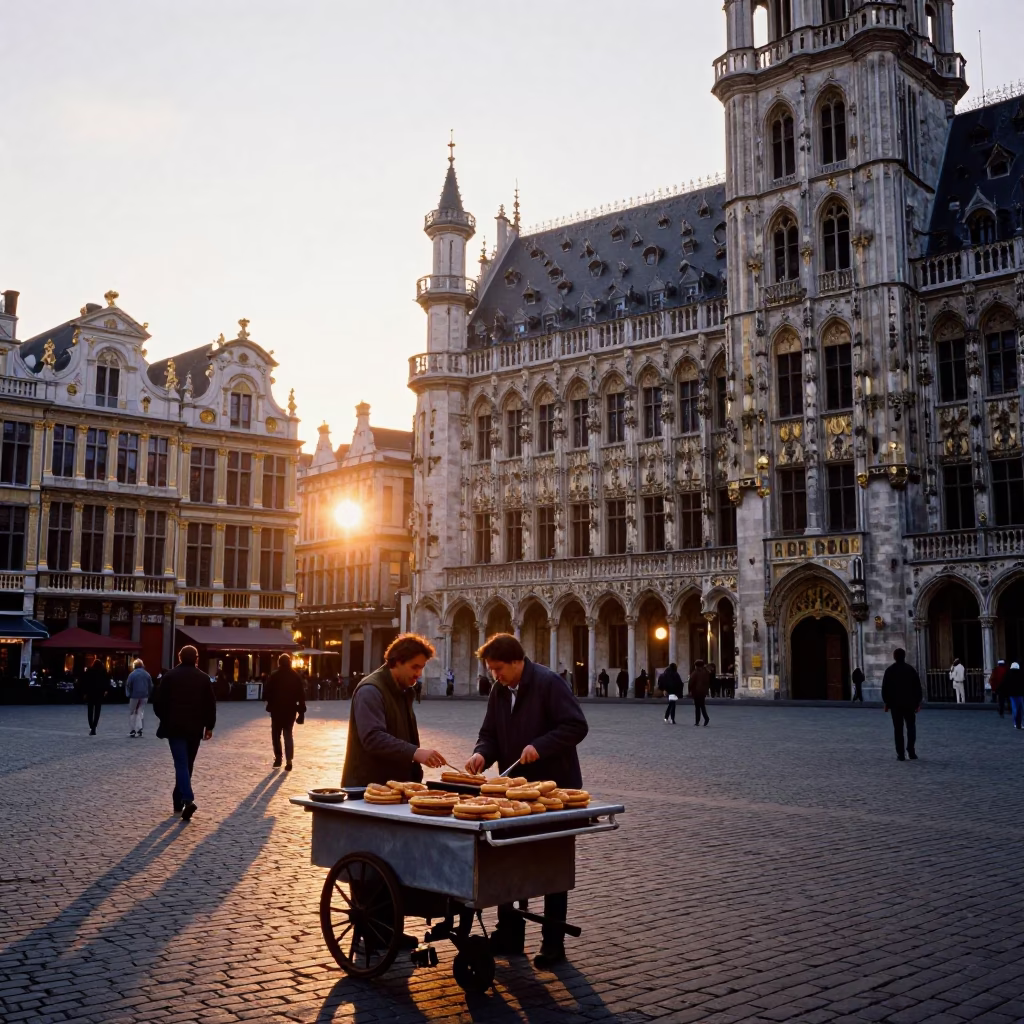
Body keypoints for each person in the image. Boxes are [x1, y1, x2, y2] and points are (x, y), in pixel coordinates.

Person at [465, 633, 588, 970]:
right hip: (514, 793)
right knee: (509, 862)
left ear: (517, 661)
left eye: (499, 668)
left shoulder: (549, 683)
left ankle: (553, 943)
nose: (495, 675)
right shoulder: (499, 690)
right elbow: (489, 733)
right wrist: (481, 754)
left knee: (552, 867)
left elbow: (577, 725)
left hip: (553, 793)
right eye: (491, 670)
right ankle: (509, 933)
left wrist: (541, 746)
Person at [341, 634, 446, 787]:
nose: (419, 674)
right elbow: (373, 738)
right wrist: (414, 752)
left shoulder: (404, 689)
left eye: (421, 667)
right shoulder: (370, 690)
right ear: (397, 662)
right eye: (414, 667)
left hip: (395, 786)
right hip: (368, 789)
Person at [152, 645, 216, 820]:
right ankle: (181, 800)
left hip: (174, 727)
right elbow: (210, 704)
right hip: (195, 728)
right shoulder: (203, 678)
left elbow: (158, 703)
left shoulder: (170, 676)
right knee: (187, 764)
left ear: (179, 657)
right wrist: (209, 726)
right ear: (196, 658)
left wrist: (165, 718)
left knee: (181, 764)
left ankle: (184, 800)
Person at [264, 653, 307, 770]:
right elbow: (301, 695)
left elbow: (267, 692)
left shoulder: (274, 675)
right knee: (288, 734)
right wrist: (301, 711)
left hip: (276, 710)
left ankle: (278, 757)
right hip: (290, 710)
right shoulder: (295, 676)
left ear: (279, 663)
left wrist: (270, 702)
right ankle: (289, 761)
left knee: (276, 735)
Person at [881, 648, 923, 761]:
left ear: (894, 657)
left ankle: (900, 754)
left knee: (898, 729)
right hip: (909, 704)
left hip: (895, 705)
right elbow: (917, 688)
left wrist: (887, 703)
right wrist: (918, 702)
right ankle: (911, 751)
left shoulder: (890, 670)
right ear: (904, 656)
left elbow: (885, 689)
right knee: (911, 727)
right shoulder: (911, 670)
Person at [125, 658, 153, 738]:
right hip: (144, 696)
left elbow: (128, 685)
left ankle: (132, 730)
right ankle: (140, 728)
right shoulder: (147, 674)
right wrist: (149, 694)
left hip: (134, 695)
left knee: (132, 712)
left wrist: (128, 694)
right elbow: (150, 685)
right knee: (140, 711)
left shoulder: (132, 674)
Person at [83, 656, 109, 735]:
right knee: (97, 711)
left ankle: (91, 726)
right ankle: (94, 726)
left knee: (90, 710)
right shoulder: (103, 671)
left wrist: (85, 693)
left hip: (90, 693)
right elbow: (106, 682)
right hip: (99, 693)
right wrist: (105, 690)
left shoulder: (89, 671)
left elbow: (85, 682)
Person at [688, 659, 711, 726]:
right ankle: (705, 718)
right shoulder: (706, 672)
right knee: (702, 706)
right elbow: (707, 682)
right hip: (703, 691)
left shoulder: (695, 672)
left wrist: (689, 690)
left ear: (696, 666)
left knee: (697, 707)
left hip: (696, 691)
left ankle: (698, 721)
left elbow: (691, 682)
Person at [1005, 661, 1024, 729]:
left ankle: (1016, 723)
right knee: (1021, 709)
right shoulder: (1021, 674)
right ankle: (1020, 723)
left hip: (1012, 694)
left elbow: (1006, 684)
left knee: (1015, 709)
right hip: (1020, 694)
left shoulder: (1008, 674)